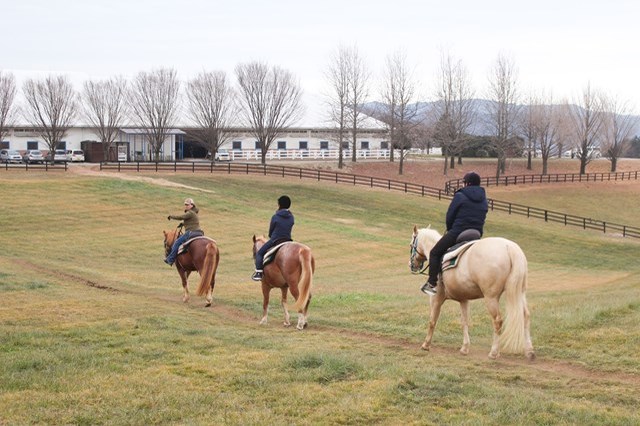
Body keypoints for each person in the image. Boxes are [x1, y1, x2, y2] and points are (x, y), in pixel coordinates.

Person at [421, 172, 488, 295]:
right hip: (476, 233)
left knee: (435, 252)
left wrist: (450, 229)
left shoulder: (460, 195)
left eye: (464, 182)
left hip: (459, 231)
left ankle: (432, 284)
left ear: (467, 183)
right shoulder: (484, 198)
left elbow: (450, 215)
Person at [251, 195, 294, 281]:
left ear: (279, 205)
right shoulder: (291, 217)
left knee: (260, 253)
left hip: (276, 240)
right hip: (288, 240)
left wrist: (271, 236)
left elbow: (271, 231)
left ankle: (259, 272)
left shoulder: (276, 216)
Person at [164, 198, 203, 266]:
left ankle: (170, 259)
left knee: (177, 242)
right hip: (199, 232)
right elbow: (192, 222)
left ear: (192, 205)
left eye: (187, 205)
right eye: (185, 205)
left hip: (191, 232)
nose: (186, 206)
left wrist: (171, 216)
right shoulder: (194, 213)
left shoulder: (190, 213)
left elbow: (181, 217)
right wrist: (183, 224)